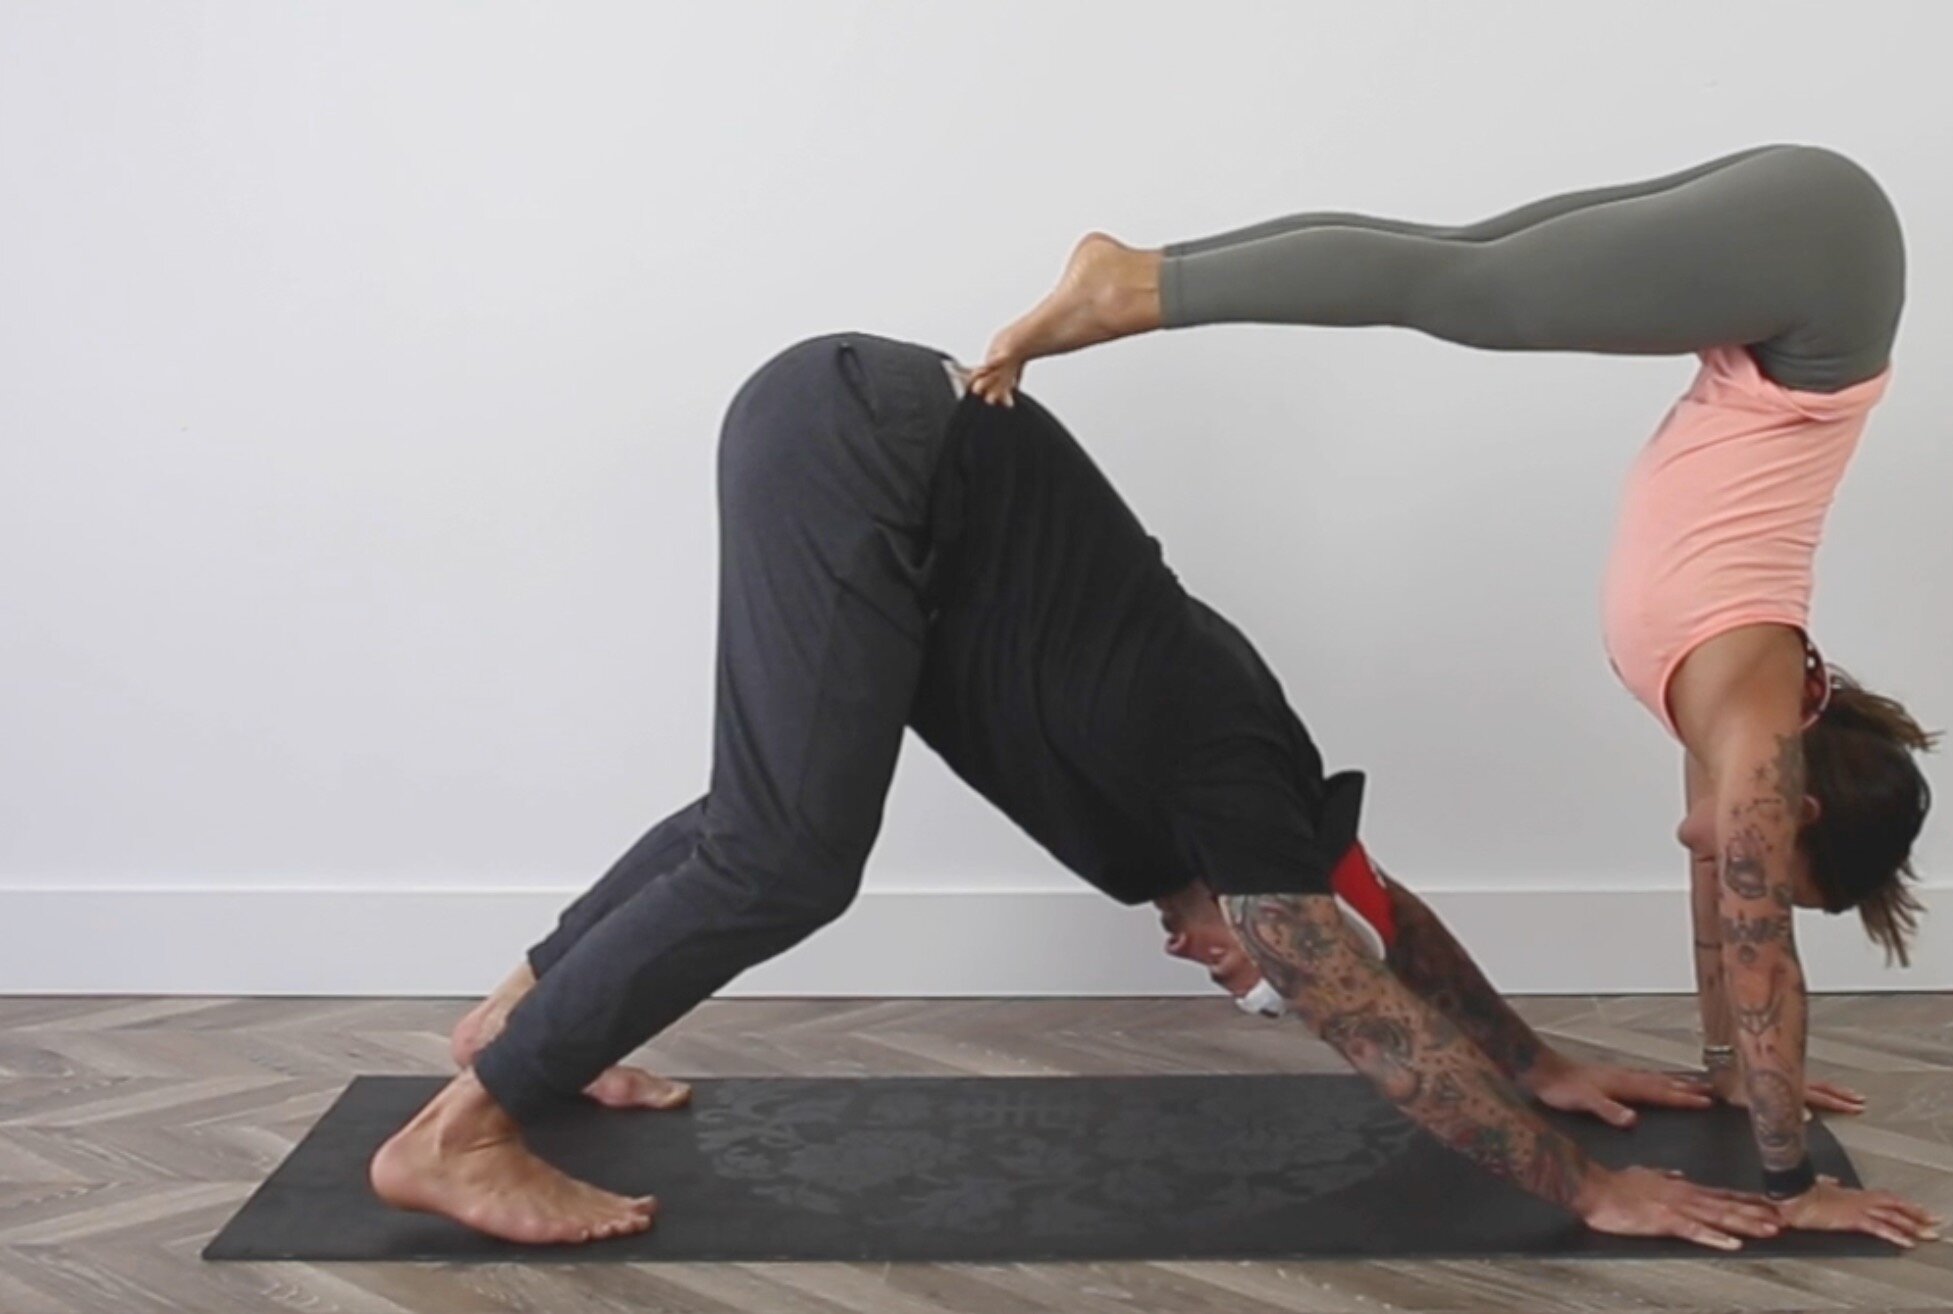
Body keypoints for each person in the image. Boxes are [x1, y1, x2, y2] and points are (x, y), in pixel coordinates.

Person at [371, 331, 1843, 1252]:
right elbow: (1360, 987)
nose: (1226, 971)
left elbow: (1380, 915)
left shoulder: (1246, 816)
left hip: (866, 436)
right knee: (787, 854)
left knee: (760, 814)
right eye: (1257, 968)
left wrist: (1533, 1057)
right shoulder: (1230, 787)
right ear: (1280, 899)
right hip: (876, 451)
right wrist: (1584, 1187)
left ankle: (519, 1018)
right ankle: (462, 1130)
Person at [972, 144, 1940, 1234]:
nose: (1728, 864)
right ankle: (1133, 285)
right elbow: (1767, 964)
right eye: (1767, 862)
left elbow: (1727, 945)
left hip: (1809, 264)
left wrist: (1727, 1074)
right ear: (1795, 812)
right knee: (1463, 290)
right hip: (1821, 274)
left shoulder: (1731, 725)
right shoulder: (1756, 730)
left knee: (1455, 263)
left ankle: (1141, 272)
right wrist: (1790, 1185)